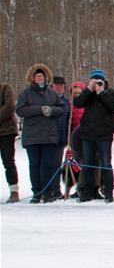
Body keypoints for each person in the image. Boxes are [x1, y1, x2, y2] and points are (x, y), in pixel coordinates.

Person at [15, 64, 64, 203]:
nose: (39, 78)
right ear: (32, 78)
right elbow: (20, 110)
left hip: (49, 135)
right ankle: (37, 192)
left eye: (41, 76)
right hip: (32, 135)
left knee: (47, 164)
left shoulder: (52, 93)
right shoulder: (26, 94)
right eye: (37, 76)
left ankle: (47, 191)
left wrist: (51, 111)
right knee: (35, 164)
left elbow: (61, 109)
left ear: (45, 77)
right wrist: (39, 109)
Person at [73, 69, 114, 202]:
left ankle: (108, 193)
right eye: (94, 81)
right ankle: (87, 192)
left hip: (104, 135)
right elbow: (77, 103)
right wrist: (88, 89)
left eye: (99, 81)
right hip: (87, 134)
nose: (96, 84)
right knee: (88, 164)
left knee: (106, 164)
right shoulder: (88, 94)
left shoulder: (110, 93)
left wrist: (102, 92)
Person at [48, 76, 72, 201]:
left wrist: (68, 138)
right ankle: (47, 189)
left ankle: (55, 189)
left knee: (56, 165)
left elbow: (68, 120)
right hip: (47, 137)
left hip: (61, 138)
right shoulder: (47, 99)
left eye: (62, 85)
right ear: (52, 86)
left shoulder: (67, 102)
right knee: (45, 164)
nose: (60, 87)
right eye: (57, 85)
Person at [0, 81, 20, 202]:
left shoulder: (6, 88)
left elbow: (9, 106)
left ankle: (14, 191)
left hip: (6, 131)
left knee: (8, 162)